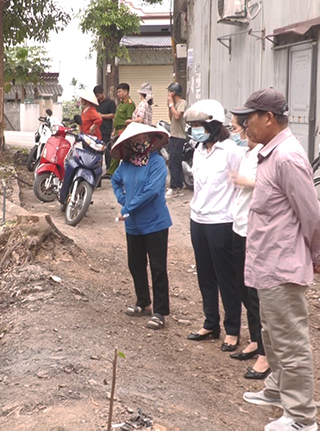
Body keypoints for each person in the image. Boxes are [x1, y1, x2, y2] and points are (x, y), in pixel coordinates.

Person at [231, 88, 320, 431]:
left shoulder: (287, 157)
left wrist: (317, 256)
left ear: (269, 118)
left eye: (249, 118)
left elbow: (312, 216)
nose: (245, 125)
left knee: (290, 341)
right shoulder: (270, 154)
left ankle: (302, 417)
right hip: (267, 262)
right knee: (272, 334)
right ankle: (276, 390)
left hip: (282, 266)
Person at [182, 99, 244, 352]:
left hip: (222, 222)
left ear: (214, 126)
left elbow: (242, 184)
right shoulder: (198, 150)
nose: (196, 130)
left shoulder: (231, 151)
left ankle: (232, 330)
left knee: (226, 278)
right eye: (193, 125)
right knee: (205, 276)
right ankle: (210, 323)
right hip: (198, 220)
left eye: (200, 125)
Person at [111, 123, 172, 330]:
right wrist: (123, 200)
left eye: (142, 138)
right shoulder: (126, 163)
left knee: (158, 267)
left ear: (150, 139)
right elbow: (115, 181)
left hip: (155, 223)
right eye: (134, 140)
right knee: (135, 264)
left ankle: (160, 312)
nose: (139, 142)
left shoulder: (157, 163)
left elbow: (152, 191)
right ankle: (143, 303)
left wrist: (127, 208)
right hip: (134, 225)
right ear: (129, 144)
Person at [227, 113, 269, 380]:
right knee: (242, 287)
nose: (233, 133)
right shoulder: (246, 154)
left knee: (255, 293)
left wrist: (247, 182)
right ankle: (255, 340)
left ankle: (266, 354)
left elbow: (272, 185)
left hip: (254, 231)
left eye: (234, 128)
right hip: (238, 226)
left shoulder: (266, 155)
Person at [105, 83, 136, 178]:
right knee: (114, 150)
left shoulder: (129, 104)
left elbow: (129, 120)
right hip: (117, 130)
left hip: (123, 130)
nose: (118, 94)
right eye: (117, 92)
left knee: (119, 151)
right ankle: (111, 171)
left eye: (119, 92)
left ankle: (112, 172)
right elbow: (117, 118)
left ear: (126, 92)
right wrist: (114, 130)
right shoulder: (121, 104)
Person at [165, 82, 188, 198]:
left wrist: (171, 105)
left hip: (179, 136)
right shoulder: (174, 104)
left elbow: (178, 116)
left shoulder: (182, 103)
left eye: (170, 91)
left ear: (174, 92)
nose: (168, 94)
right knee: (176, 162)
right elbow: (171, 118)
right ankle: (179, 186)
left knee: (173, 162)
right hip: (174, 135)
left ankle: (174, 188)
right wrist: (170, 105)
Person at [94, 85, 117, 170]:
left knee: (107, 149)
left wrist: (102, 116)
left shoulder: (110, 103)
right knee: (97, 150)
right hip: (97, 130)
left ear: (103, 93)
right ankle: (97, 168)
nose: (98, 97)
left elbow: (113, 115)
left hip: (106, 130)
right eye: (96, 96)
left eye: (99, 95)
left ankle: (109, 168)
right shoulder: (95, 103)